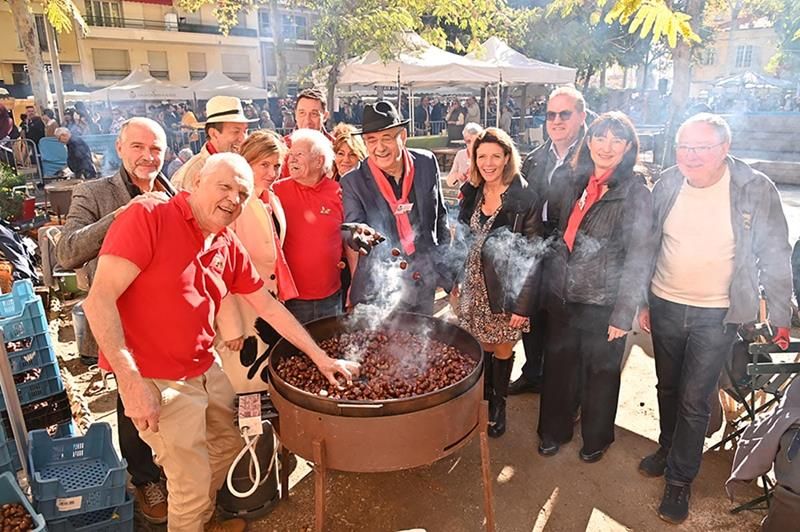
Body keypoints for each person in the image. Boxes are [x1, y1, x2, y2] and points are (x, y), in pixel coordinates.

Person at [83, 153, 358, 532]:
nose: (233, 198)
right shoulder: (148, 217)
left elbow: (267, 306)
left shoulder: (226, 243)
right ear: (196, 183)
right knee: (189, 483)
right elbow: (99, 300)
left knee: (228, 445)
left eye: (243, 193)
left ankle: (196, 516)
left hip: (204, 366)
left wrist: (321, 358)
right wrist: (131, 382)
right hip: (156, 378)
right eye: (225, 186)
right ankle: (191, 511)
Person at [637, 113, 792, 524]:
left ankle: (679, 480)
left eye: (702, 147)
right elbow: (648, 244)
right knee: (668, 386)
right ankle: (667, 447)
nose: (691, 156)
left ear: (724, 148)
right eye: (684, 146)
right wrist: (641, 301)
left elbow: (775, 252)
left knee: (694, 398)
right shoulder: (668, 182)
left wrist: (778, 312)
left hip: (717, 313)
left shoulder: (754, 188)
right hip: (665, 302)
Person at [56, 117, 173, 524]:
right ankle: (144, 479)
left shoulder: (174, 192)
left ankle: (172, 473)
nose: (147, 156)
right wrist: (126, 212)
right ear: (120, 149)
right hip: (121, 322)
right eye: (138, 147)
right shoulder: (94, 191)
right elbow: (66, 252)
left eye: (155, 148)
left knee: (174, 402)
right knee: (133, 400)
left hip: (171, 321)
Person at [537, 112, 654, 463]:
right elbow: (559, 234)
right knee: (558, 368)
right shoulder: (575, 181)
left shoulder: (635, 192)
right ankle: (553, 431)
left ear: (629, 147)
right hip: (563, 295)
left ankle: (597, 438)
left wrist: (624, 311)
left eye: (616, 140)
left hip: (604, 301)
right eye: (600, 138)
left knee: (600, 375)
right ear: (588, 142)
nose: (606, 146)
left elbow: (639, 256)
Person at [453, 127, 543, 438]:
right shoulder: (472, 191)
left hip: (504, 291)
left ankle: (498, 405)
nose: (488, 163)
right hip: (472, 286)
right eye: (481, 157)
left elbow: (534, 255)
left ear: (507, 157)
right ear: (474, 160)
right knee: (479, 346)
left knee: (501, 347)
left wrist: (523, 305)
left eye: (495, 156)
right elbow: (461, 239)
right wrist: (454, 279)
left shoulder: (525, 198)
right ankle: (482, 401)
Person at [341, 100, 453, 315]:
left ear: (402, 136)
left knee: (422, 340)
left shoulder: (427, 162)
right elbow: (352, 226)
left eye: (386, 138)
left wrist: (445, 268)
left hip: (424, 278)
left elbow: (440, 218)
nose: (379, 147)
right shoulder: (353, 181)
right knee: (387, 344)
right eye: (371, 140)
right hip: (382, 283)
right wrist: (357, 235)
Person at [510, 86, 588, 396]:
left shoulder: (591, 158)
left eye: (564, 114)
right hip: (535, 247)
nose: (556, 121)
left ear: (580, 117)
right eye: (551, 115)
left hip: (571, 252)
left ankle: (564, 389)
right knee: (533, 313)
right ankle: (533, 372)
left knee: (565, 324)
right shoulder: (534, 158)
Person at [215, 130, 296, 392]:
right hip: (242, 313)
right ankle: (246, 433)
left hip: (269, 307)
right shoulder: (233, 204)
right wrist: (230, 326)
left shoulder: (271, 200)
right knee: (244, 383)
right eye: (264, 165)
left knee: (266, 381)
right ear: (247, 162)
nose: (272, 172)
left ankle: (261, 431)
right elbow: (219, 270)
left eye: (276, 165)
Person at [273, 129, 345, 323]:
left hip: (332, 296)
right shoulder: (276, 191)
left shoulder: (339, 192)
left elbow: (349, 238)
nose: (292, 160)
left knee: (331, 347)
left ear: (319, 160)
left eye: (299, 155)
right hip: (292, 299)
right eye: (290, 155)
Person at [171, 96, 255, 191]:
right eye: (236, 132)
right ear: (214, 134)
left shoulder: (243, 163)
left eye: (245, 131)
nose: (244, 138)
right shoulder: (192, 173)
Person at [279, 88, 333, 177]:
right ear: (295, 115)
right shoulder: (282, 147)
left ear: (325, 116)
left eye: (314, 114)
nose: (308, 120)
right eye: (302, 113)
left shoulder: (336, 147)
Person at [446, 122, 483, 187]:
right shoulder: (461, 154)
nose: (472, 145)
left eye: (476, 142)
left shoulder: (485, 155)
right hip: (464, 195)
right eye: (468, 141)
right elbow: (449, 182)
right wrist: (457, 175)